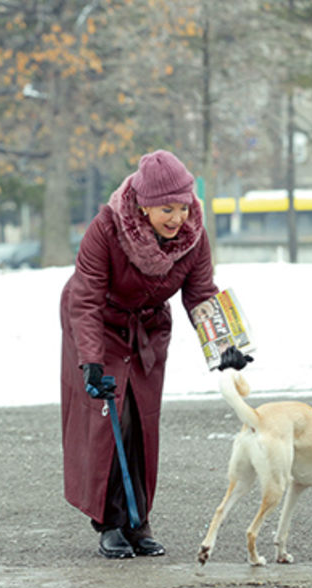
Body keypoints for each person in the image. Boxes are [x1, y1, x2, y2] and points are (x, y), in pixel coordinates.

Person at [59, 149, 252, 559]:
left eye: (183, 206)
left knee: (143, 423)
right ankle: (109, 523)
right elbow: (86, 299)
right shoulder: (106, 229)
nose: (178, 217)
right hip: (98, 325)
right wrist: (90, 361)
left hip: (146, 328)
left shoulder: (193, 236)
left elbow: (200, 293)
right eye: (167, 208)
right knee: (112, 420)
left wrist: (224, 347)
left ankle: (138, 521)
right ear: (144, 207)